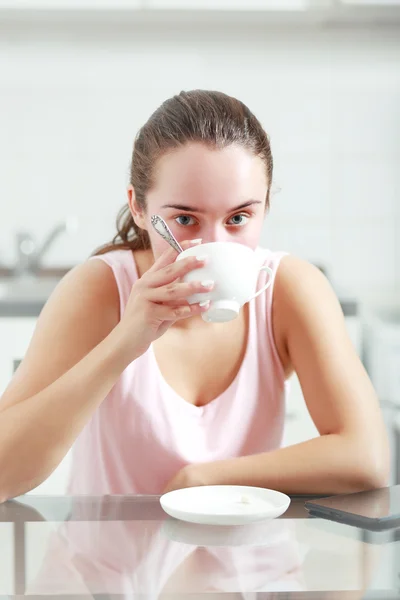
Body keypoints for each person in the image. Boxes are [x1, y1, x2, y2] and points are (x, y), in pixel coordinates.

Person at [0, 90, 389, 501]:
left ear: (266, 205)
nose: (213, 244)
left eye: (238, 218)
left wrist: (202, 478)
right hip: (109, 563)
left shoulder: (288, 290)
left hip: (249, 564)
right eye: (185, 219)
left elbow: (367, 457)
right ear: (138, 207)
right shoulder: (97, 290)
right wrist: (124, 343)